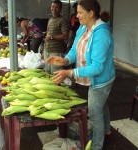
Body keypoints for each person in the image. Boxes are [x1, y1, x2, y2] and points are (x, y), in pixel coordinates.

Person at [46, 0, 115, 149]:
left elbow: (97, 67)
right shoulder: (83, 28)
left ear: (91, 13)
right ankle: (107, 129)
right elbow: (75, 49)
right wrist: (65, 60)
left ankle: (96, 146)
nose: (77, 16)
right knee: (101, 104)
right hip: (93, 77)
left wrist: (70, 72)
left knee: (95, 113)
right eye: (77, 12)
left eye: (80, 13)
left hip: (101, 79)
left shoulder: (101, 34)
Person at [44, 0, 69, 74]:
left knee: (56, 73)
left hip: (56, 51)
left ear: (60, 9)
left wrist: (52, 37)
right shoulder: (50, 20)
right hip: (47, 51)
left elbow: (65, 36)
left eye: (57, 7)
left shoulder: (62, 20)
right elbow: (47, 35)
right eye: (52, 6)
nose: (54, 9)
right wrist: (44, 49)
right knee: (47, 72)